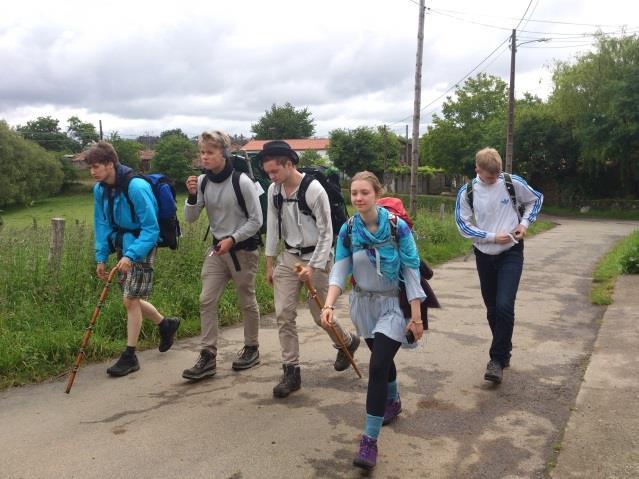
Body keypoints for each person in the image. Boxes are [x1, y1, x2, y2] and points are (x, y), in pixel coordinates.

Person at [321, 171, 425, 471]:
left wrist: (416, 317)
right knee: (382, 358)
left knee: (377, 365)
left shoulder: (398, 228)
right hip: (363, 304)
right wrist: (329, 304)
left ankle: (369, 441)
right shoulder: (348, 230)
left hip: (393, 305)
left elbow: (412, 270)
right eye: (354, 193)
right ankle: (392, 401)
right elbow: (340, 269)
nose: (358, 198)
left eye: (364, 192)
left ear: (377, 193)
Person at [260, 140, 360, 398]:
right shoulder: (274, 191)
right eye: (268, 172)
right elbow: (272, 227)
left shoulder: (314, 190)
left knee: (320, 317)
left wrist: (313, 266)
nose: (271, 177)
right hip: (289, 258)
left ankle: (347, 341)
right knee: (284, 314)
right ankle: (291, 372)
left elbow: (328, 234)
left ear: (289, 164)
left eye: (274, 171)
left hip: (318, 256)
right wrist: (270, 263)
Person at [86, 141, 181, 377]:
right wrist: (101, 257)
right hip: (123, 244)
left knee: (130, 300)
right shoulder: (100, 189)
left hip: (143, 243)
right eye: (90, 167)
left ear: (110, 164)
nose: (92, 172)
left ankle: (130, 356)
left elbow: (151, 229)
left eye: (96, 166)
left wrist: (131, 255)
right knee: (132, 298)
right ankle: (165, 324)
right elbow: (102, 223)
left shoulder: (136, 187)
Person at [455, 147, 543, 384]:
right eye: (488, 176)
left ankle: (496, 360)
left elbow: (536, 199)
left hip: (511, 252)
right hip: (484, 254)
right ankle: (504, 350)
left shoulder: (512, 182)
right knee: (492, 308)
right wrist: (492, 236)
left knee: (505, 305)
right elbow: (463, 225)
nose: (493, 179)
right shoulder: (467, 192)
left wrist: (524, 224)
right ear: (478, 169)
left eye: (496, 175)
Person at [182, 130, 263, 380]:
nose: (204, 158)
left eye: (209, 152)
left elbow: (256, 220)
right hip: (217, 250)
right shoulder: (204, 182)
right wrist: (192, 196)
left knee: (246, 301)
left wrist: (233, 238)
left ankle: (252, 348)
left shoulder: (242, 182)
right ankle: (208, 356)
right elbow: (191, 218)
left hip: (243, 251)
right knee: (206, 300)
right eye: (202, 153)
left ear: (223, 153)